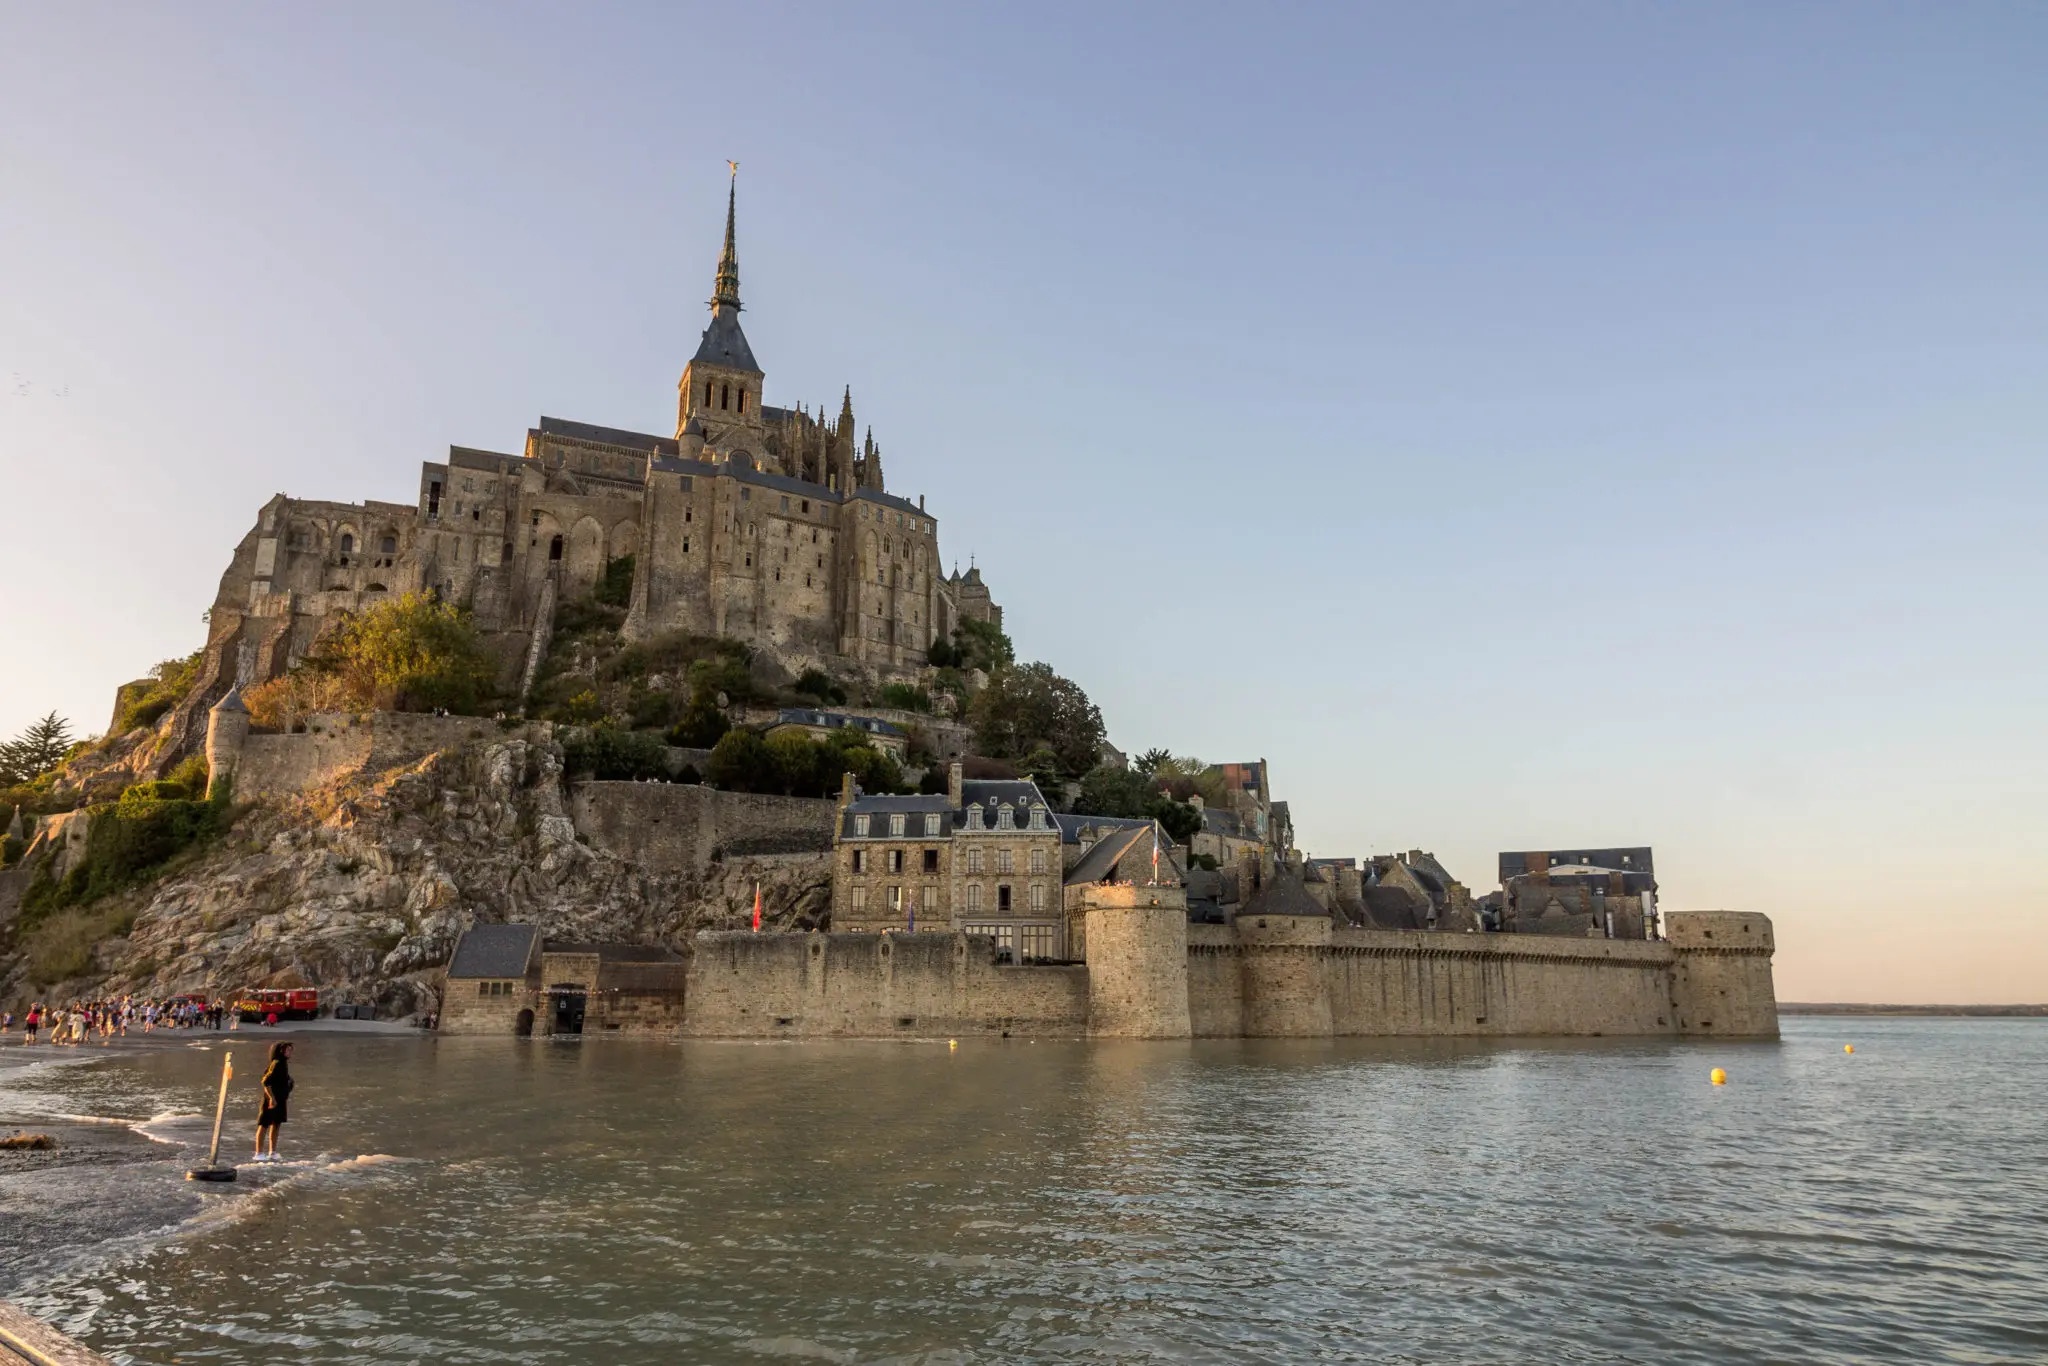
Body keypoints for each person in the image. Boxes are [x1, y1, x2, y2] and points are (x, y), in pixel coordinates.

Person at [254, 1041, 294, 1163]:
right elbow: (266, 1082)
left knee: (277, 1124)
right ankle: (259, 1153)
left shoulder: (283, 1063)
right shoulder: (276, 1063)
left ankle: (272, 1151)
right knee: (264, 1124)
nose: (290, 1052)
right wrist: (271, 1098)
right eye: (288, 1050)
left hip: (281, 1099)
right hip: (272, 1099)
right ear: (281, 1051)